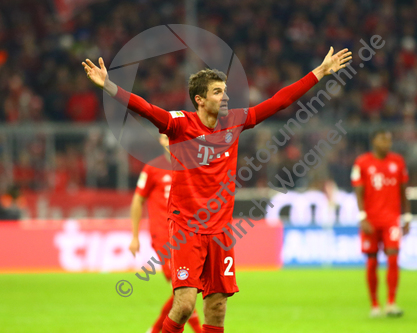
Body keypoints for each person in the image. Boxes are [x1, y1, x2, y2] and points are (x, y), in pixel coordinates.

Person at [82, 46, 351, 333]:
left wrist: (320, 72)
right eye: (218, 92)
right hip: (186, 227)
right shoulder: (179, 125)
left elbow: (278, 102)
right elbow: (145, 108)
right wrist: (109, 85)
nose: (225, 97)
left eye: (224, 90)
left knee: (217, 308)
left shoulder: (233, 122)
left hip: (221, 231)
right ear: (199, 99)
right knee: (184, 305)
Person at [129, 134, 202, 333]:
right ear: (161, 140)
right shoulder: (152, 168)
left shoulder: (189, 166)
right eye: (166, 136)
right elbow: (138, 201)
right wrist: (135, 236)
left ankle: (154, 329)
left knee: (186, 289)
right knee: (184, 289)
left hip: (186, 234)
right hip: (164, 236)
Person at [351, 129, 412, 317]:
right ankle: (375, 305)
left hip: (391, 219)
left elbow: (404, 191)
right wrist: (362, 217)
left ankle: (391, 303)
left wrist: (407, 216)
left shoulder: (398, 161)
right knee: (372, 261)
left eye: (389, 140)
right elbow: (358, 192)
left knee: (393, 258)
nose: (386, 143)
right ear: (373, 141)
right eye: (382, 139)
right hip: (371, 220)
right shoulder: (362, 162)